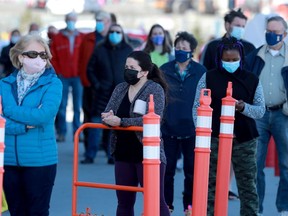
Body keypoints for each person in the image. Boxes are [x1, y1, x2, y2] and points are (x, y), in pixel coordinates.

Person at [193, 37, 265, 216]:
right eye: (227, 60)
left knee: (247, 185)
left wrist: (243, 107)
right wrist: (202, 131)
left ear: (241, 58)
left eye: (234, 60)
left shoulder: (252, 79)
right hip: (214, 137)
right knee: (210, 183)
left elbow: (260, 110)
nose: (231, 63)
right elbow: (197, 106)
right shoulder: (208, 77)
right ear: (219, 58)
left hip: (244, 138)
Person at [101, 50, 170, 216]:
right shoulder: (120, 88)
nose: (127, 70)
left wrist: (121, 122)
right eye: (126, 66)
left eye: (132, 67)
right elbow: (107, 112)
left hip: (148, 154)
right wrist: (107, 118)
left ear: (145, 72)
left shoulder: (154, 89)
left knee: (156, 201)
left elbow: (154, 119)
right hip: (122, 152)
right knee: (124, 203)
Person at [0, 34, 62, 216]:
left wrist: (9, 110)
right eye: (33, 54)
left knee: (37, 211)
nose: (40, 59)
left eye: (43, 55)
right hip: (9, 159)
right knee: (16, 211)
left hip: (40, 161)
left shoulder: (53, 83)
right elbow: (0, 122)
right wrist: (23, 126)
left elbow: (43, 116)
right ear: (20, 57)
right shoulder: (4, 84)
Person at [245, 15, 288, 216]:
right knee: (255, 164)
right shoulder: (255, 57)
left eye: (276, 33)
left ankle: (284, 208)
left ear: (285, 34)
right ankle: (256, 209)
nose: (272, 35)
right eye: (268, 32)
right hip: (259, 115)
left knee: (286, 164)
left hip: (283, 115)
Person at [160, 31, 206, 214]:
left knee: (191, 171)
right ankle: (167, 205)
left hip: (192, 129)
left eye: (184, 48)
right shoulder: (164, 69)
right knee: (167, 171)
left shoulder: (200, 72)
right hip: (168, 128)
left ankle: (190, 207)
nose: (180, 51)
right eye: (177, 47)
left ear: (192, 51)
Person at [83, 23, 133, 164]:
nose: (114, 34)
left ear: (122, 34)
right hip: (101, 94)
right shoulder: (100, 49)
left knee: (114, 127)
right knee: (95, 124)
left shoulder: (128, 50)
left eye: (118, 32)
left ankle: (111, 155)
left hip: (120, 95)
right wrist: (97, 85)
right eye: (112, 31)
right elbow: (90, 69)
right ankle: (90, 154)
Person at [78, 10, 112, 162]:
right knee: (89, 117)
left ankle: (108, 150)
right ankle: (89, 151)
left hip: (108, 87)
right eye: (97, 19)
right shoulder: (88, 38)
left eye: (102, 20)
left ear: (108, 23)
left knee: (109, 119)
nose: (99, 23)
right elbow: (82, 62)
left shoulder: (112, 40)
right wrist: (87, 81)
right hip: (90, 85)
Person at [50, 12, 84, 142]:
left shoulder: (81, 37)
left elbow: (83, 57)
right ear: (66, 20)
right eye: (69, 19)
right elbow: (53, 57)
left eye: (73, 20)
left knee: (77, 106)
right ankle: (62, 132)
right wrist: (59, 72)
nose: (71, 22)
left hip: (77, 76)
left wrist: (81, 72)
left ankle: (77, 132)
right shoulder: (58, 38)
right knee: (62, 105)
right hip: (63, 76)